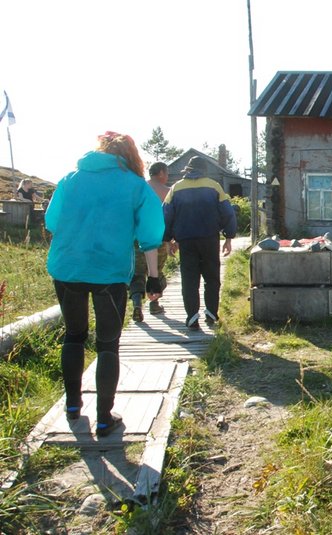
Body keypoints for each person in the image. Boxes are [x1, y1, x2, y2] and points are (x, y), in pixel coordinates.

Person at [45, 131, 164, 437]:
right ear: (129, 155)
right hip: (109, 272)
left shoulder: (70, 179)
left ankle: (72, 406)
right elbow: (150, 236)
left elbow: (52, 222)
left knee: (73, 336)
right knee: (107, 343)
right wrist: (153, 277)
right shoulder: (135, 185)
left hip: (67, 267)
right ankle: (103, 418)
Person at [163, 155, 237, 330]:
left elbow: (166, 216)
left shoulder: (175, 188)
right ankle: (211, 314)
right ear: (205, 170)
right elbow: (228, 214)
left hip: (186, 242)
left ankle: (192, 317)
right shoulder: (214, 186)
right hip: (210, 240)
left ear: (187, 170)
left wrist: (168, 240)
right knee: (211, 278)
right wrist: (228, 237)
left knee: (189, 280)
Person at [129, 162, 172, 321]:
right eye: (167, 173)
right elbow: (170, 218)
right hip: (158, 239)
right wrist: (171, 240)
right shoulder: (167, 192)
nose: (167, 177)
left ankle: (137, 305)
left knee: (137, 274)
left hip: (136, 239)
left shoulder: (139, 189)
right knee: (156, 272)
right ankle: (154, 305)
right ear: (161, 173)